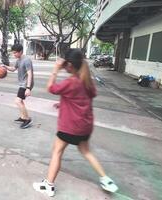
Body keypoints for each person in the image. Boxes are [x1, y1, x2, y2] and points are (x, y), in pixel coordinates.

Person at [33, 49, 118, 197]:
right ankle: (106, 180)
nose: (63, 66)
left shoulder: (70, 82)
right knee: (86, 151)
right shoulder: (86, 81)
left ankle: (48, 185)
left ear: (70, 65)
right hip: (85, 127)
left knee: (56, 152)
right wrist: (63, 104)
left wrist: (55, 70)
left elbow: (50, 88)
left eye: (65, 63)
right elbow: (82, 98)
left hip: (70, 128)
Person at [2, 44, 34, 129]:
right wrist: (5, 66)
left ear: (20, 52)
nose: (14, 54)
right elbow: (13, 69)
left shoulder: (26, 60)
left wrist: (28, 88)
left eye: (15, 53)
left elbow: (30, 74)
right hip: (23, 84)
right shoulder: (19, 59)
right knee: (20, 101)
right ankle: (23, 117)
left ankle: (27, 119)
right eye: (13, 53)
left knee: (18, 101)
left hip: (26, 84)